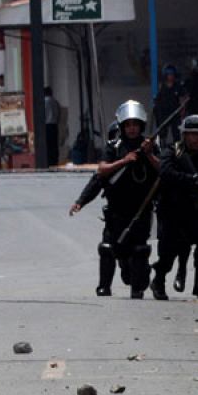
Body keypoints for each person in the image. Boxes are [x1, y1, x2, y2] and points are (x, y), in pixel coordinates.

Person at [70, 101, 158, 299]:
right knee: (108, 247)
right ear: (122, 127)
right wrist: (80, 202)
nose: (132, 128)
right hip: (117, 211)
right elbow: (101, 173)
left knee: (139, 249)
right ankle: (104, 286)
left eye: (135, 124)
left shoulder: (150, 146)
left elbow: (164, 172)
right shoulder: (114, 147)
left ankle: (138, 286)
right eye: (128, 125)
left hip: (140, 210)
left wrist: (150, 155)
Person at [152, 114, 198, 300]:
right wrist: (190, 180)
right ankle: (158, 281)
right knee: (167, 253)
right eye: (191, 134)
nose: (195, 138)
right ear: (184, 135)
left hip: (197, 211)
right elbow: (166, 172)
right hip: (172, 211)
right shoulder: (172, 152)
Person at [154, 66, 187, 144]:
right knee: (162, 132)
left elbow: (183, 98)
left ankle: (177, 147)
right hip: (164, 113)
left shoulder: (178, 86)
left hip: (175, 113)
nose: (170, 76)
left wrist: (183, 110)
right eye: (168, 74)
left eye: (172, 74)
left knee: (176, 133)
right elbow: (157, 99)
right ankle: (162, 146)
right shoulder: (162, 86)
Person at [43, 87, 61, 167]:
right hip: (54, 125)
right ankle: (55, 161)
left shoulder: (44, 102)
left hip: (46, 125)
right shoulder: (56, 102)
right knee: (54, 144)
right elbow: (59, 114)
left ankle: (48, 161)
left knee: (48, 145)